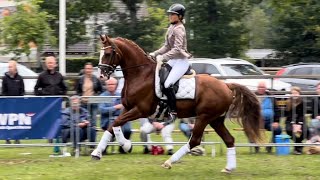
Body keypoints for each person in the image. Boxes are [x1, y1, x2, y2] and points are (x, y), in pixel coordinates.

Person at [149, 3, 192, 122]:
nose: (170, 16)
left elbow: (177, 49)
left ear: (180, 17)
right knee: (160, 78)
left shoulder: (179, 29)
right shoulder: (171, 27)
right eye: (170, 14)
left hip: (181, 61)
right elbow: (167, 46)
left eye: (173, 14)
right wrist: (155, 53)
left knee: (168, 84)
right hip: (173, 60)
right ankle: (164, 105)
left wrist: (163, 57)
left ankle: (173, 111)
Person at [34, 56, 67, 143]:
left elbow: (64, 88)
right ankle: (49, 137)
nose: (50, 65)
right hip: (47, 103)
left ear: (55, 64)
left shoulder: (59, 76)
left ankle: (58, 136)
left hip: (56, 103)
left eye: (52, 63)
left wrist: (61, 96)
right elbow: (36, 89)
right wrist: (42, 95)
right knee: (48, 121)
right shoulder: (41, 76)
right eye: (48, 63)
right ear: (46, 64)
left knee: (57, 120)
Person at [98, 77, 131, 154]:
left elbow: (124, 107)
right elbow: (102, 110)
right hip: (107, 120)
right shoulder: (102, 96)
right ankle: (103, 149)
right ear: (106, 85)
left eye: (112, 84)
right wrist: (115, 108)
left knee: (127, 129)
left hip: (120, 119)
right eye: (109, 84)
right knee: (114, 127)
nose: (111, 86)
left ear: (116, 85)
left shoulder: (120, 95)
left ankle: (123, 148)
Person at [254, 81, 282, 153]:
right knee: (249, 129)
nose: (261, 89)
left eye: (262, 87)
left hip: (269, 122)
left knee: (278, 129)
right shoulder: (252, 97)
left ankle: (270, 146)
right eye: (259, 87)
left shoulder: (271, 97)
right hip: (256, 122)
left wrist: (276, 121)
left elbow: (277, 110)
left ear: (266, 88)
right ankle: (256, 146)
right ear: (257, 88)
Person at [1, 60, 24, 144]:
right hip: (8, 103)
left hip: (17, 103)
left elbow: (22, 90)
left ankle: (17, 138)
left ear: (15, 67)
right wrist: (7, 99)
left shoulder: (20, 78)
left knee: (17, 121)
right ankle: (7, 138)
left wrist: (19, 100)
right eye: (9, 66)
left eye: (11, 66)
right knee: (8, 121)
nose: (9, 68)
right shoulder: (5, 78)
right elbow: (3, 91)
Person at [285, 86, 310, 155]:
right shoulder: (288, 102)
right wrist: (293, 124)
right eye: (293, 93)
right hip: (290, 121)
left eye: (296, 93)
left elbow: (302, 114)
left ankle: (297, 146)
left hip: (301, 120)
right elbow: (288, 115)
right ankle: (299, 144)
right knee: (289, 130)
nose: (294, 95)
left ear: (299, 93)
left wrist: (299, 124)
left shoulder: (303, 102)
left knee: (306, 131)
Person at [76, 62, 103, 128]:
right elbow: (78, 90)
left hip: (93, 103)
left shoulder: (96, 79)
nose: (88, 70)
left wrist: (97, 97)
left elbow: (101, 89)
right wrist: (80, 97)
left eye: (90, 68)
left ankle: (93, 136)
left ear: (92, 70)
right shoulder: (81, 79)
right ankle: (85, 136)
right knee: (84, 120)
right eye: (87, 68)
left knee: (93, 121)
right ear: (84, 69)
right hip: (83, 103)